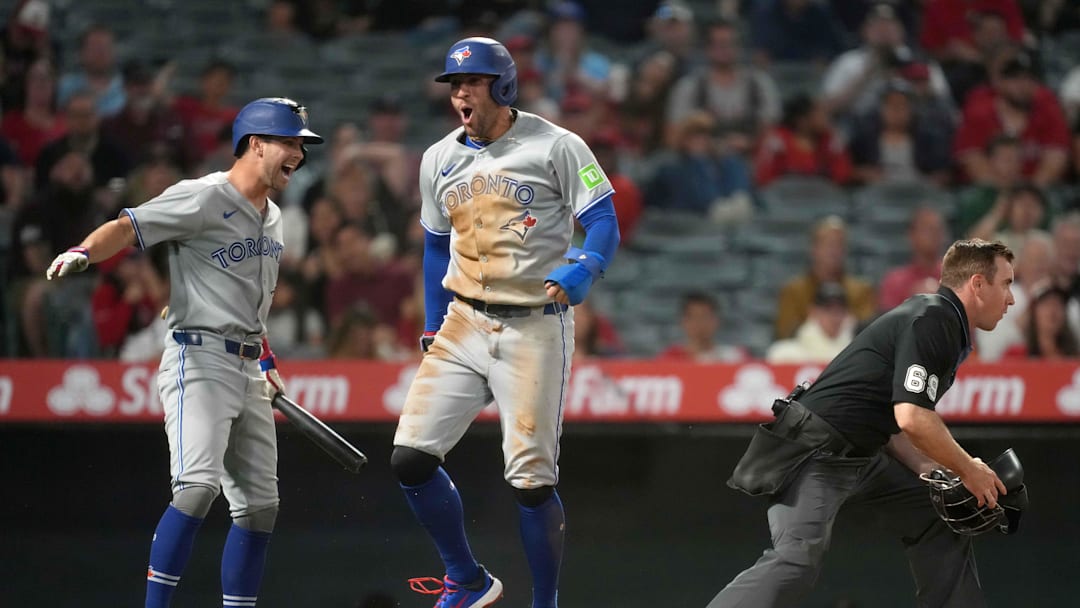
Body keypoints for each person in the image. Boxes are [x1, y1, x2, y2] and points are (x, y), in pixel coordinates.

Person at [43, 97, 323, 607]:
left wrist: (267, 360)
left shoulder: (276, 217)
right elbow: (127, 226)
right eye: (288, 143)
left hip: (248, 365)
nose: (297, 155)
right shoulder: (201, 196)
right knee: (196, 489)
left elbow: (249, 306)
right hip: (200, 355)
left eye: (300, 147)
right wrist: (84, 250)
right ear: (255, 144)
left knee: (261, 509)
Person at [392, 37, 620, 608]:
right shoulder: (438, 158)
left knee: (531, 482)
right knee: (411, 458)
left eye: (471, 83)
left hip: (534, 325)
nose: (460, 93)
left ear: (504, 85)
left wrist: (586, 265)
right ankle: (467, 580)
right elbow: (435, 249)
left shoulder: (558, 145)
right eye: (453, 85)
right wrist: (431, 320)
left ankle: (545, 601)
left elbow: (604, 221)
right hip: (464, 320)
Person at [711, 238, 1016, 607]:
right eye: (1007, 284)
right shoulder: (934, 318)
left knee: (937, 516)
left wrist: (931, 468)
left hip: (863, 453)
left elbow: (891, 419)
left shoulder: (942, 321)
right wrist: (968, 468)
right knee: (796, 562)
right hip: (815, 451)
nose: (1011, 298)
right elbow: (913, 417)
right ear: (978, 284)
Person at [766, 281, 857, 364]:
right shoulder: (786, 355)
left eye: (840, 310)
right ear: (813, 312)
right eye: (827, 310)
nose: (835, 317)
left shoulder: (857, 351)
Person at [879, 206, 948, 312]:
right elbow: (887, 324)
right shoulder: (894, 282)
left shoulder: (956, 279)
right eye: (927, 229)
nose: (934, 234)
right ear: (911, 235)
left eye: (938, 229)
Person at [657, 291, 748, 362]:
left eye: (705, 317)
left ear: (716, 320)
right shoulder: (669, 358)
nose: (699, 323)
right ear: (683, 321)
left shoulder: (734, 357)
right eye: (693, 317)